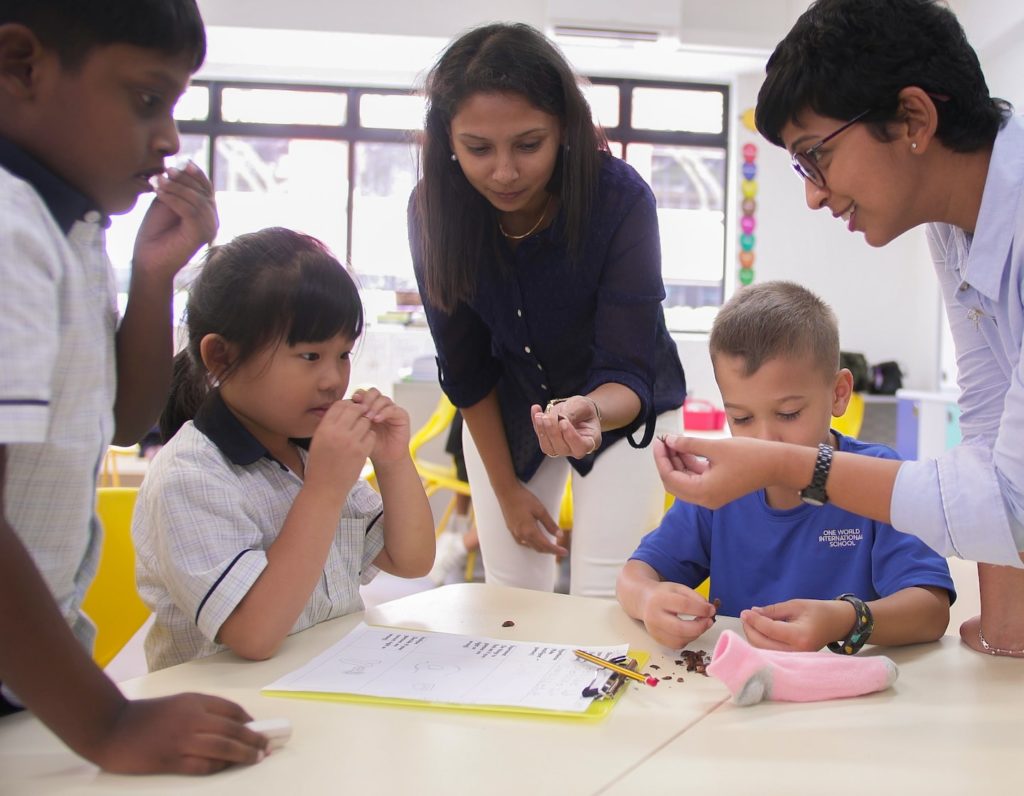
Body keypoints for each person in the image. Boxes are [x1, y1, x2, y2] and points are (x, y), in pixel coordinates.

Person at [655, 0, 1024, 658]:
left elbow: (1010, 502)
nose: (813, 195)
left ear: (913, 119)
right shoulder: (954, 228)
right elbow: (991, 436)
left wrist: (785, 464)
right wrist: (1006, 633)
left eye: (815, 157)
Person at [0, 0, 272, 774]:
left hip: (29, 682)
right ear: (22, 66)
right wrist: (110, 724)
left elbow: (125, 418)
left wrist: (153, 277)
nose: (169, 139)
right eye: (147, 99)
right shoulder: (10, 229)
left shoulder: (71, 229)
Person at [409, 23, 687, 597]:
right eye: (478, 149)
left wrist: (587, 410)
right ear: (448, 140)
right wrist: (507, 490)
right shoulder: (435, 211)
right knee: (512, 596)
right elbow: (465, 369)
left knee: (606, 596)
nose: (504, 172)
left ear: (563, 127)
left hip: (621, 411)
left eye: (528, 144)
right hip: (505, 410)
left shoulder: (619, 199)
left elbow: (628, 369)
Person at [133, 227, 435, 671]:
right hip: (228, 715)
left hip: (320, 688)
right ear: (220, 358)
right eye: (310, 356)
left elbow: (410, 560)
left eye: (344, 354)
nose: (333, 379)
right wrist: (323, 491)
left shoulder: (311, 451)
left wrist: (392, 461)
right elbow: (254, 635)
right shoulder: (190, 476)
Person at [619, 282, 954, 652]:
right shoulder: (719, 485)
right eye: (742, 418)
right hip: (739, 692)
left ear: (838, 394)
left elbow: (931, 610)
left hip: (852, 694)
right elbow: (634, 576)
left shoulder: (879, 475)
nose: (765, 440)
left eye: (789, 413)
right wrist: (650, 600)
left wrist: (843, 619)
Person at [428, 410, 481, 586]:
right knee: (508, 512)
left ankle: (457, 537)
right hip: (477, 432)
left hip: (467, 429)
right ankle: (458, 545)